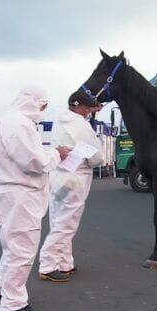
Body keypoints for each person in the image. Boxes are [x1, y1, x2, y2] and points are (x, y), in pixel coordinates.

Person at [0, 85, 70, 311]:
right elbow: (34, 162)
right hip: (20, 195)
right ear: (33, 102)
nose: (44, 109)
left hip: (12, 194)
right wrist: (57, 154)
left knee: (13, 246)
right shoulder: (19, 124)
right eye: (43, 104)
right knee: (22, 250)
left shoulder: (11, 122)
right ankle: (13, 303)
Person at [38, 91, 104, 282]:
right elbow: (97, 157)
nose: (90, 111)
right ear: (78, 106)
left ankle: (64, 262)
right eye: (88, 107)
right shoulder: (82, 125)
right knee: (67, 224)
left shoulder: (58, 121)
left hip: (58, 175)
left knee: (58, 220)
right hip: (77, 176)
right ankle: (48, 265)